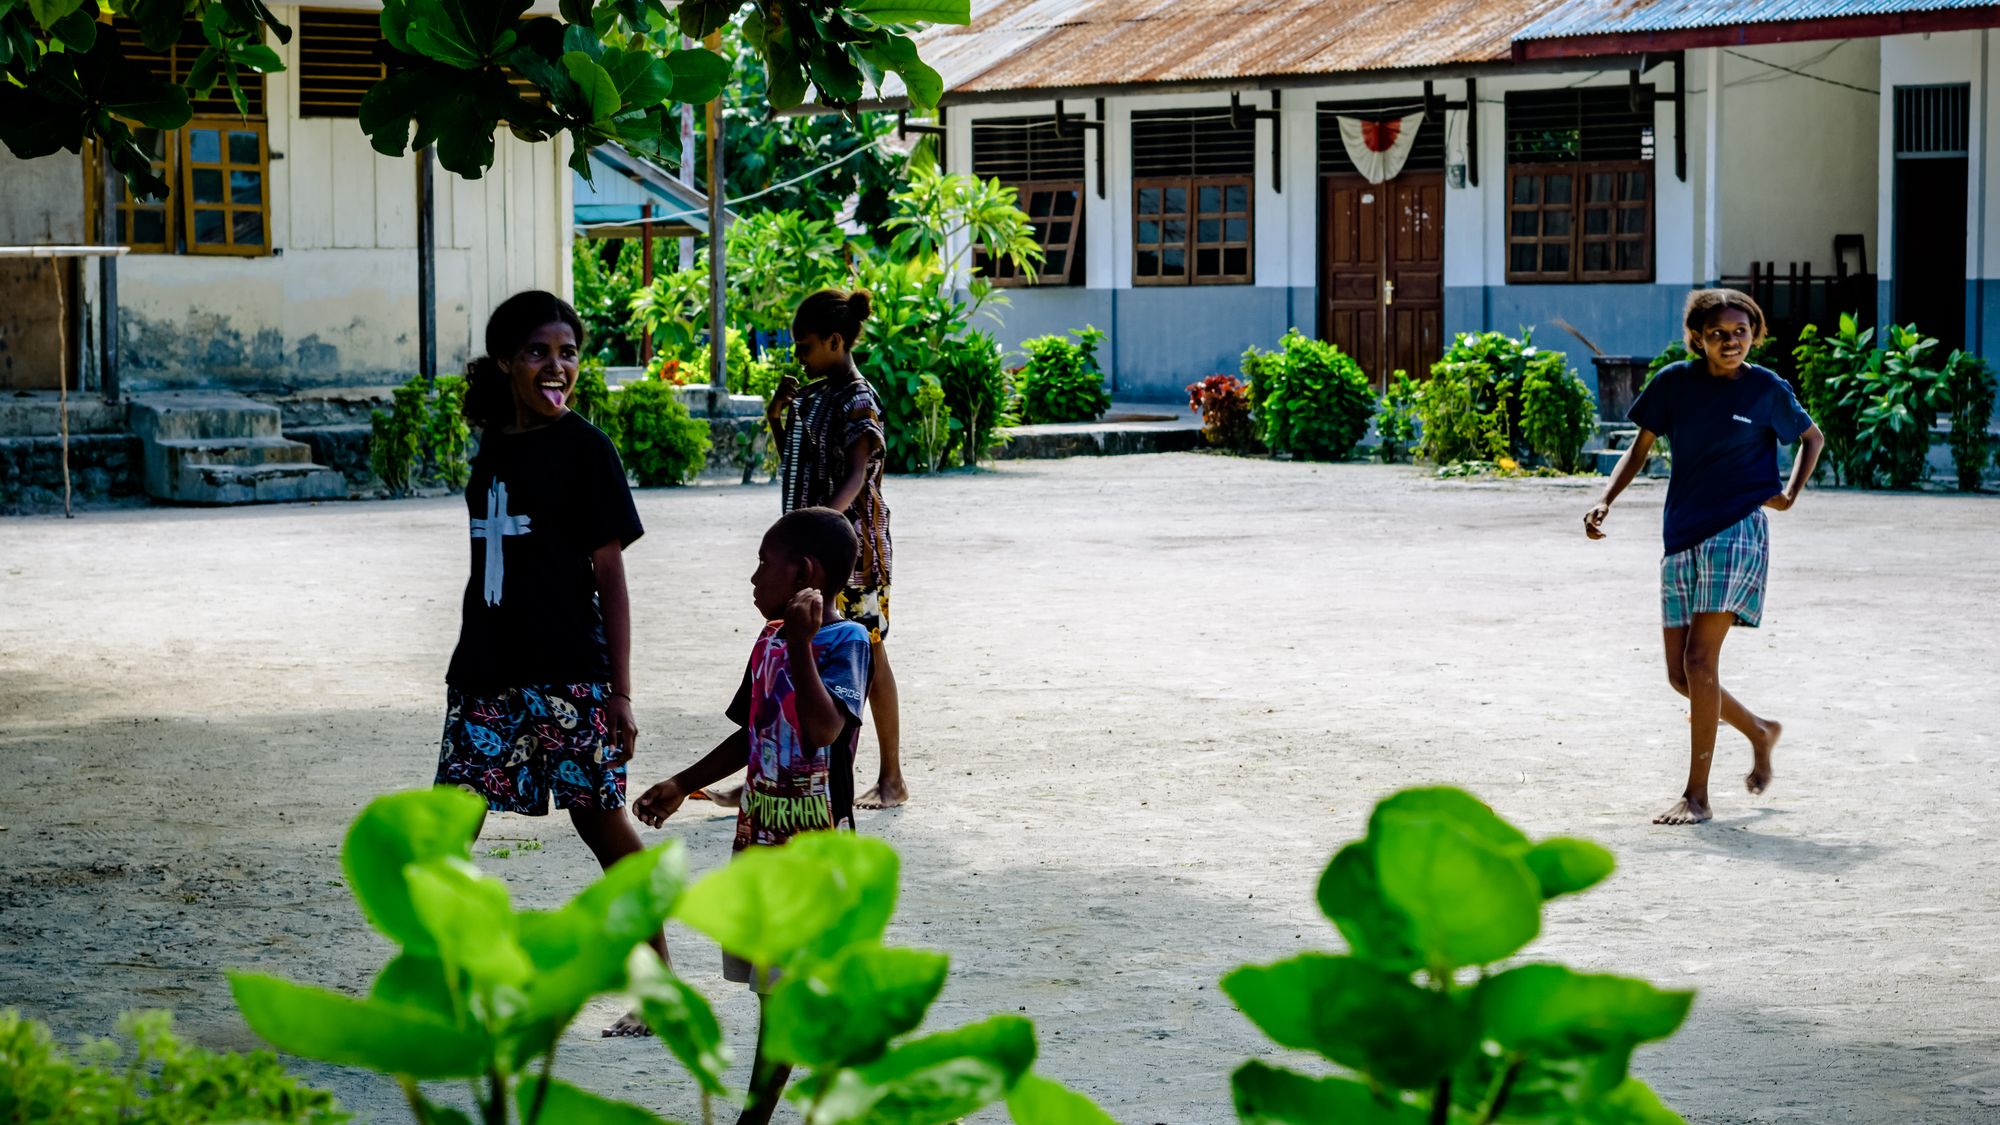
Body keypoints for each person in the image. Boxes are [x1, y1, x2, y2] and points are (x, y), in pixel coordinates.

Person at [431, 290, 662, 1035]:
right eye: (538, 351)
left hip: (571, 673)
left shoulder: (588, 450)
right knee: (447, 832)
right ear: (506, 361)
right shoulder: (494, 446)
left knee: (602, 825)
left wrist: (620, 693)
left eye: (568, 351)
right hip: (486, 673)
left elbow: (611, 578)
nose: (557, 366)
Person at [633, 507, 872, 1125]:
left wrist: (800, 644)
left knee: (782, 992)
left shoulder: (844, 643)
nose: (753, 576)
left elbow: (822, 730)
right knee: (783, 986)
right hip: (762, 838)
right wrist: (683, 782)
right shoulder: (768, 638)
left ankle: (753, 1120)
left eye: (765, 562)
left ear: (806, 572)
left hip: (810, 850)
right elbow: (753, 731)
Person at [1585, 288, 1825, 826]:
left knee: (1700, 662)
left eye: (1741, 332)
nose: (1731, 341)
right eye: (1719, 333)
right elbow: (1639, 447)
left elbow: (1812, 438)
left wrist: (1789, 494)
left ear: (1754, 334)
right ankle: (1760, 731)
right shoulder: (1673, 383)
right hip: (1681, 535)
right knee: (1680, 675)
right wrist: (1605, 499)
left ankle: (1697, 795)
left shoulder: (1766, 388)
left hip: (1736, 531)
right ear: (1697, 338)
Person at [697, 288, 908, 810]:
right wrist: (776, 415)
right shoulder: (814, 396)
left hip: (850, 555)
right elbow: (798, 459)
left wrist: (821, 529)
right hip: (808, 551)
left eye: (807, 346)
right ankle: (762, 772)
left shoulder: (859, 398)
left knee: (867, 654)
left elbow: (859, 473)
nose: (800, 356)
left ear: (837, 341)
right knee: (793, 650)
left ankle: (891, 777)